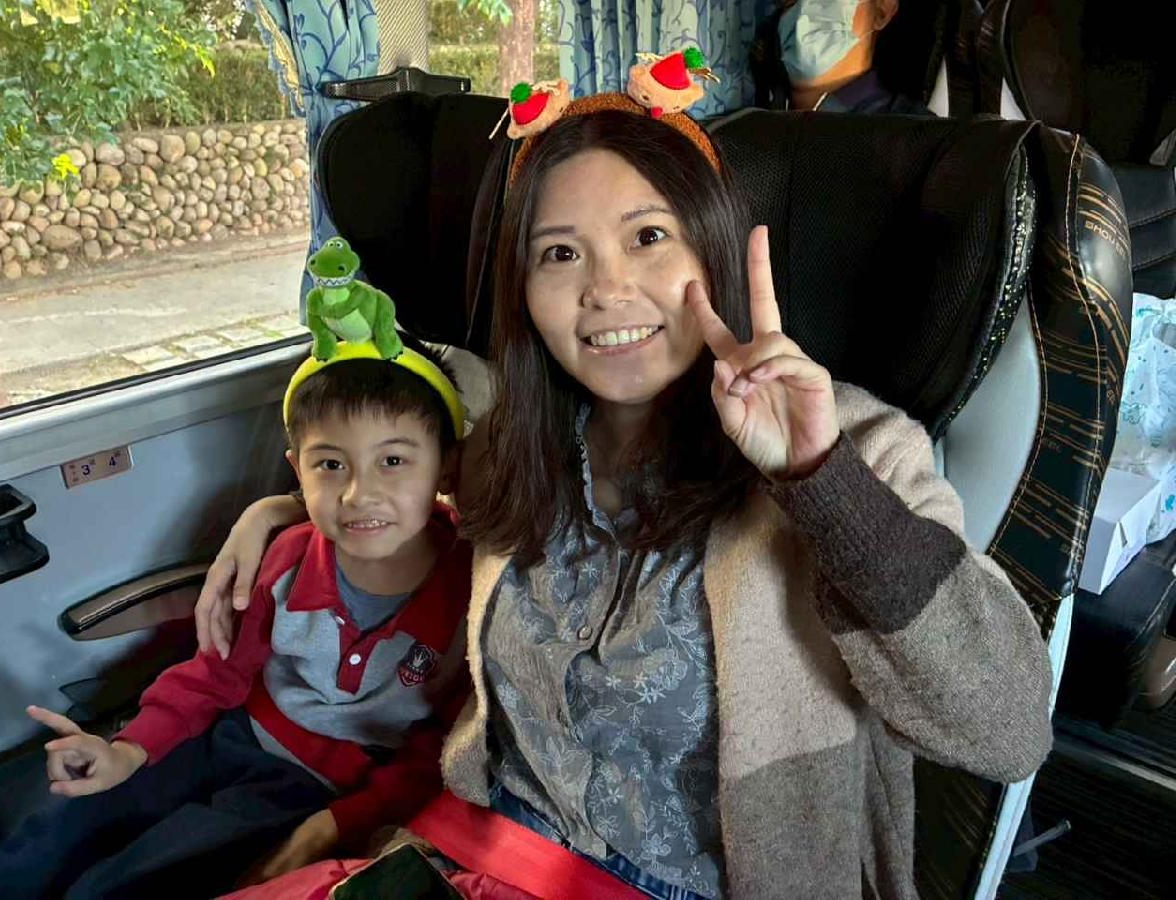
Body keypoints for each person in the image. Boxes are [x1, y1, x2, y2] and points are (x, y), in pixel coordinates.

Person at [194, 88, 1052, 899]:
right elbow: (404, 497)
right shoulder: (515, 444)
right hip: (477, 847)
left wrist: (820, 481)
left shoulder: (854, 446)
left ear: (712, 247)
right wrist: (275, 515)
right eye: (560, 253)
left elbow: (1007, 732)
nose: (605, 289)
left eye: (648, 236)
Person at [0, 333, 471, 900]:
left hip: (322, 787)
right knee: (52, 835)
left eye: (393, 461)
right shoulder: (287, 559)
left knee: (132, 880)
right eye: (331, 464)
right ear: (298, 471)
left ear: (446, 468)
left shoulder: (470, 594)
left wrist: (337, 823)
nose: (359, 494)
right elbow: (217, 672)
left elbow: (443, 752)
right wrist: (128, 750)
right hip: (236, 729)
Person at [751, 0, 937, 115]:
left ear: (881, 11)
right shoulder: (748, 116)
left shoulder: (919, 139)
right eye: (791, 1)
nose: (803, 12)